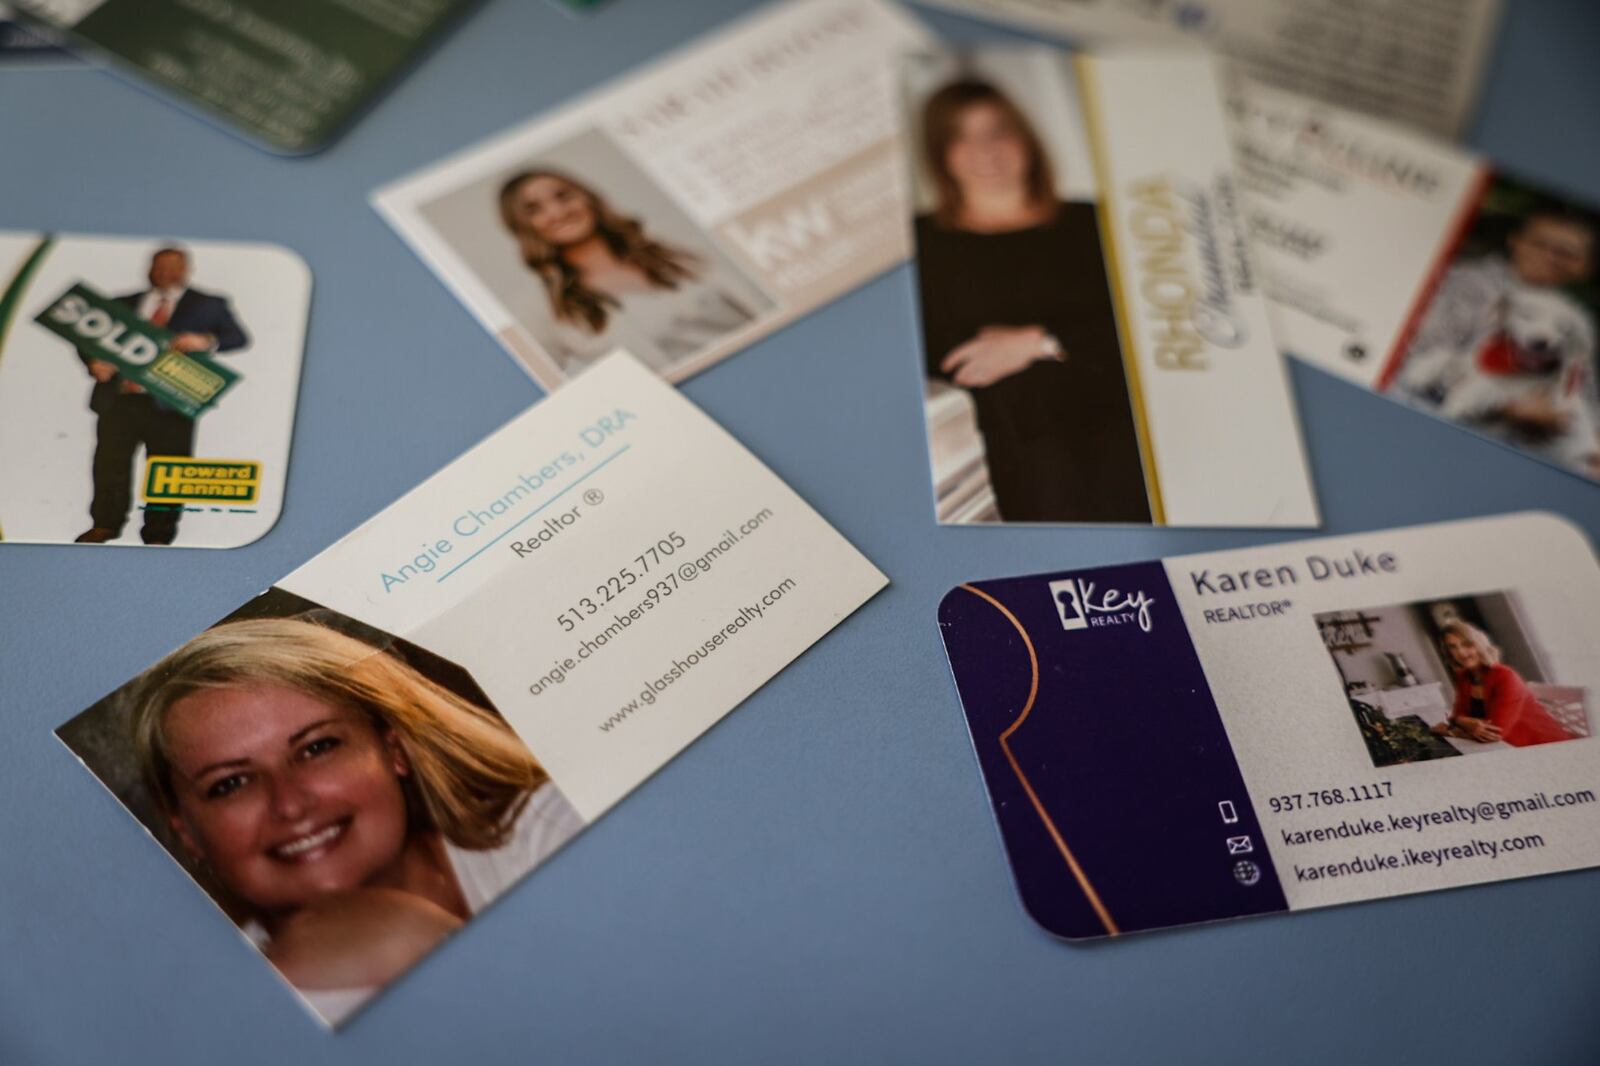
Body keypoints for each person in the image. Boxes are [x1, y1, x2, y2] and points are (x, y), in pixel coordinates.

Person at [128, 617, 582, 1025]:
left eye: (316, 748)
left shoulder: (553, 822)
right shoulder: (211, 1020)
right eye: (230, 784)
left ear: (395, 750)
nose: (290, 804)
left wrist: (417, 940)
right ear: (187, 832)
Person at [913, 78, 1150, 523]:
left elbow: (1150, 329)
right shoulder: (918, 243)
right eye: (960, 136)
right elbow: (926, 353)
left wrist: (1038, 341)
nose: (985, 150)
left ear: (1025, 138)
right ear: (939, 151)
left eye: (998, 130)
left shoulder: (1096, 222)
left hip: (1129, 446)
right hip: (1009, 466)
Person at [498, 169, 760, 375]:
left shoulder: (676, 249)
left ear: (588, 197)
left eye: (563, 196)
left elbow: (757, 302)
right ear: (522, 226)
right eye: (534, 209)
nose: (557, 212)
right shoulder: (545, 309)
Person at [74, 247, 250, 546]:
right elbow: (87, 340)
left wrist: (206, 340)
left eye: (173, 266)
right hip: (120, 400)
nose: (165, 272)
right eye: (159, 266)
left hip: (172, 403)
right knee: (109, 464)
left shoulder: (209, 304)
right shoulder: (120, 303)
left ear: (187, 270)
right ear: (148, 269)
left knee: (170, 470)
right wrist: (94, 363)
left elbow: (238, 337)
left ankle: (159, 534)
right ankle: (104, 524)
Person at [1396, 210, 1598, 462]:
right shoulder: (1463, 285)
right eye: (1540, 243)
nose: (1550, 256)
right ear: (1516, 240)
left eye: (1566, 253)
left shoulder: (1575, 322)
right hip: (1432, 431)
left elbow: (1585, 404)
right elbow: (1411, 362)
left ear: (1585, 267)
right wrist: (1508, 405)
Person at [1429, 619, 1575, 747]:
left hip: (1542, 746)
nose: (1460, 652)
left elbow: (1495, 734)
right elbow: (1457, 715)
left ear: (1479, 645)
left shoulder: (1505, 677)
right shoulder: (1464, 677)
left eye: (1467, 644)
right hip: (1505, 747)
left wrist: (1450, 731)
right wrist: (1464, 722)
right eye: (1452, 647)